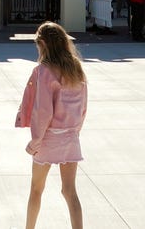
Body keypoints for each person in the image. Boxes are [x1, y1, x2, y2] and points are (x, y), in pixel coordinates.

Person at [16, 21, 87, 229]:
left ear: (43, 44)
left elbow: (43, 111)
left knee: (36, 189)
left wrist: (35, 141)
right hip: (70, 136)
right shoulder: (76, 68)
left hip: (48, 138)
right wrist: (75, 132)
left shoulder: (44, 71)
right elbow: (82, 107)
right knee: (70, 191)